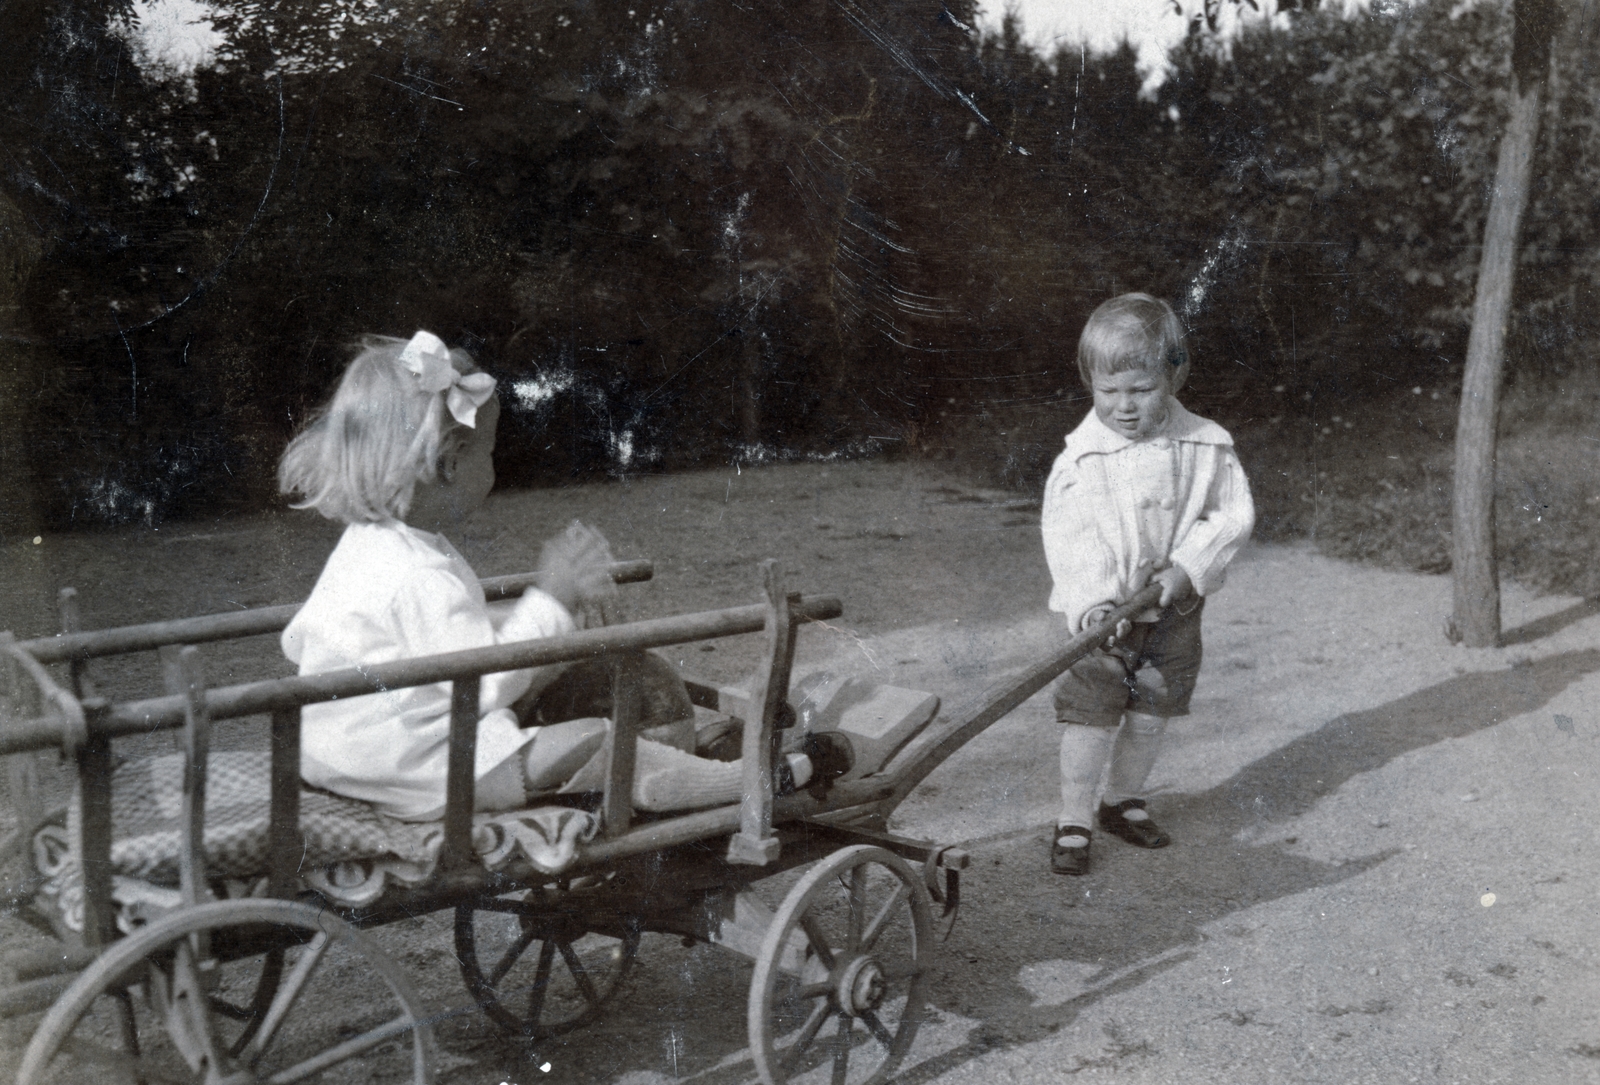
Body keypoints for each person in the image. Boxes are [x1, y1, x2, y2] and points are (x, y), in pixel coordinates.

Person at [278, 330, 845, 821]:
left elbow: (397, 642)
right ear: (450, 464)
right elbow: (484, 681)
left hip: (349, 758)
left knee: (559, 700)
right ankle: (742, 783)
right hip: (422, 774)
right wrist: (550, 599)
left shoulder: (372, 550)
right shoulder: (417, 573)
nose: (494, 467)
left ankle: (692, 750)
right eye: (490, 452)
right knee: (600, 740)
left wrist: (537, 616)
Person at [1040, 294, 1254, 875]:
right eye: (1109, 393)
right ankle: (1074, 816)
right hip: (1104, 620)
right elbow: (1070, 535)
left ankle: (1122, 800)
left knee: (1152, 710)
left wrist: (1187, 566)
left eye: (1141, 390)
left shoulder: (1207, 444)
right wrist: (1093, 601)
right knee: (1091, 714)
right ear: (1091, 385)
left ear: (1173, 375)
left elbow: (1232, 515)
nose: (1125, 407)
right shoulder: (1084, 458)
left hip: (1175, 612)